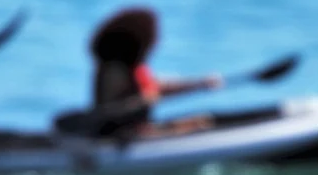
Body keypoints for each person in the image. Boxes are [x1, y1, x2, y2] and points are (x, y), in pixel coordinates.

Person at [89, 7, 224, 137]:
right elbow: (113, 109)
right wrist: (144, 100)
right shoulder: (113, 70)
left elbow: (156, 87)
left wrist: (199, 84)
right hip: (122, 137)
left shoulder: (135, 69)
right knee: (199, 125)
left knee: (203, 120)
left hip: (141, 130)